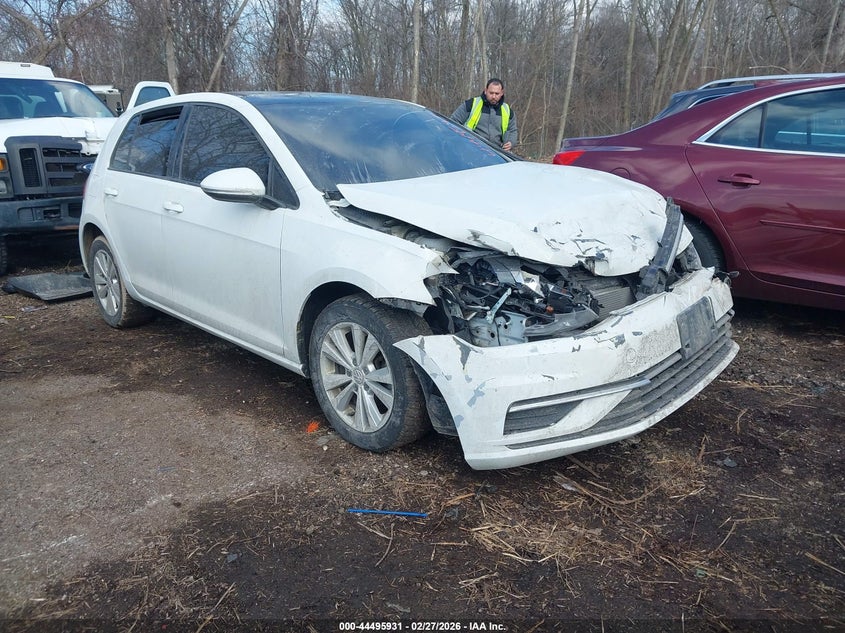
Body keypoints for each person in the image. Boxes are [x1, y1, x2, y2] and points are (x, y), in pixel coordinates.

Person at [451, 78, 518, 151]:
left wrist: (511, 142)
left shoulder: (507, 110)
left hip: (496, 152)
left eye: (497, 94)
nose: (494, 96)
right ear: (485, 91)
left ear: (502, 93)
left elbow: (512, 130)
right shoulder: (471, 104)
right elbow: (453, 122)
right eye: (491, 93)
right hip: (470, 149)